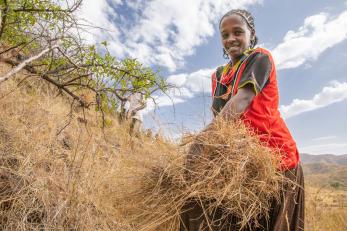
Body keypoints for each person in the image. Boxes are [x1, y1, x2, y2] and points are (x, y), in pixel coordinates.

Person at [180, 9, 304, 231]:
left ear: (251, 34)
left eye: (237, 32)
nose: (230, 39)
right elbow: (221, 118)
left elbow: (242, 100)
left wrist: (202, 143)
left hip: (276, 160)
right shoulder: (219, 75)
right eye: (225, 35)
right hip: (241, 163)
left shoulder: (260, 58)